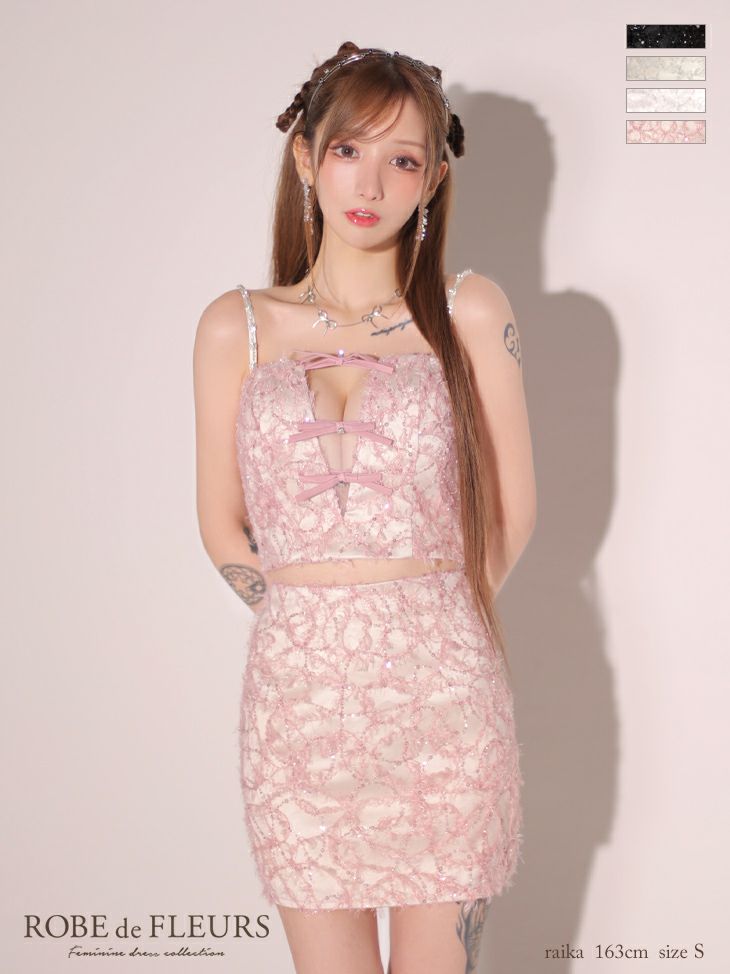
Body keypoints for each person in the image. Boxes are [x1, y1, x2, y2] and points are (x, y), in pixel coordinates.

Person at [193, 40, 536, 974]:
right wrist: (310, 631)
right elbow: (221, 523)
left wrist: (430, 625)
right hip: (297, 710)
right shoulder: (237, 326)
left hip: (446, 704)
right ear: (306, 158)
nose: (372, 183)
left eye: (404, 159)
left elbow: (512, 513)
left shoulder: (469, 311)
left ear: (434, 180)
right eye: (349, 150)